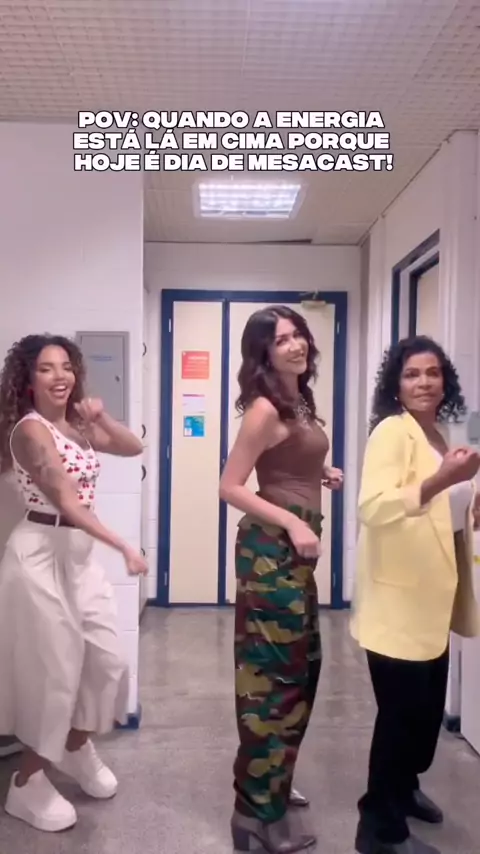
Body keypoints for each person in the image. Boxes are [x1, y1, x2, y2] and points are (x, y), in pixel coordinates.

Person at [0, 334, 148, 833]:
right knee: (56, 671)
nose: (60, 376)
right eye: (46, 368)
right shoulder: (30, 430)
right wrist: (123, 545)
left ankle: (75, 744)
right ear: (28, 379)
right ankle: (26, 783)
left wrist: (101, 418)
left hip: (78, 556)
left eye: (66, 366)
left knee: (106, 660)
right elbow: (65, 500)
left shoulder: (77, 426)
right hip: (39, 554)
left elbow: (133, 446)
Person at [219, 305, 343, 854]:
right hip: (270, 554)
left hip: (292, 558)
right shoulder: (265, 408)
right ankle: (253, 816)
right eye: (281, 340)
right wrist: (293, 521)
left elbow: (287, 463)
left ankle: (273, 783)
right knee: (272, 682)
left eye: (299, 335)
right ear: (263, 354)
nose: (296, 345)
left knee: (301, 671)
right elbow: (230, 485)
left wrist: (321, 473)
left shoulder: (299, 401)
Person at [351, 335, 480, 854]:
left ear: (444, 380)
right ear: (396, 385)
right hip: (397, 603)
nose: (423, 382)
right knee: (400, 719)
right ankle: (378, 828)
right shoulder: (392, 432)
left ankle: (403, 790)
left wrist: (468, 495)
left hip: (432, 599)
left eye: (432, 372)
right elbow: (373, 507)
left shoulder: (438, 434)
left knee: (424, 718)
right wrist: (441, 481)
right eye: (411, 374)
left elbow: (446, 505)